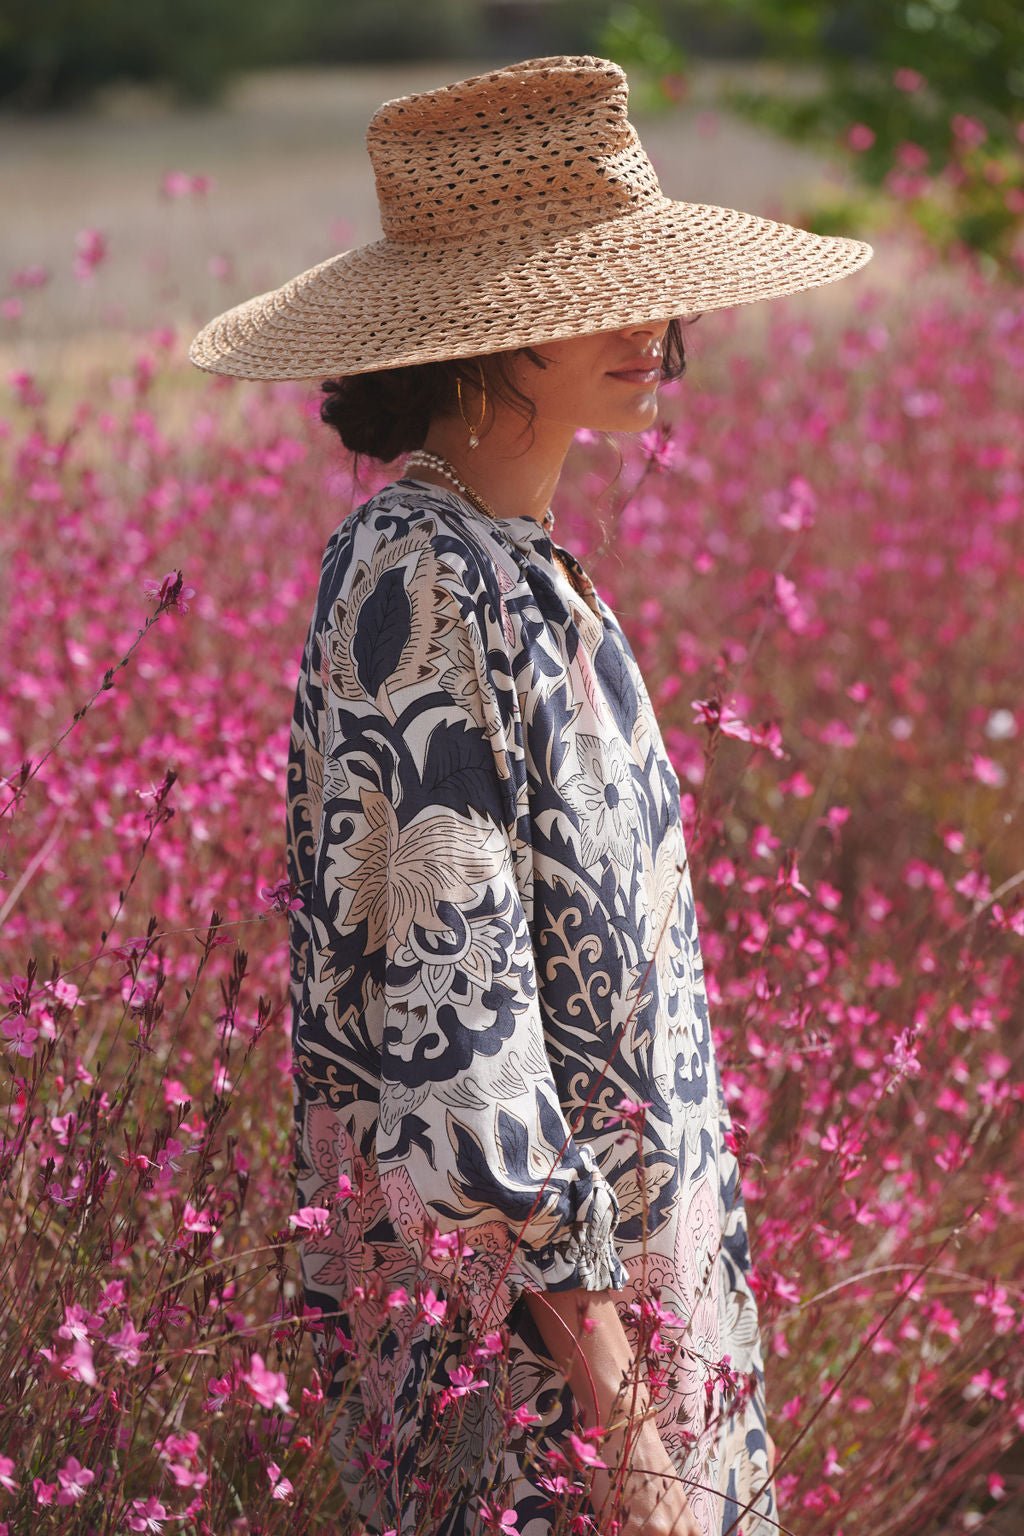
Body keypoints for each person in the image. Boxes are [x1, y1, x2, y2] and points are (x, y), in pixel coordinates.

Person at [190, 54, 872, 1536]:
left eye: (653, 285)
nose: (652, 326)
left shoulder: (520, 562)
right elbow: (459, 1050)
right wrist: (620, 1419)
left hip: (632, 1329)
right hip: (544, 1392)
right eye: (594, 291)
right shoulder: (422, 577)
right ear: (476, 328)